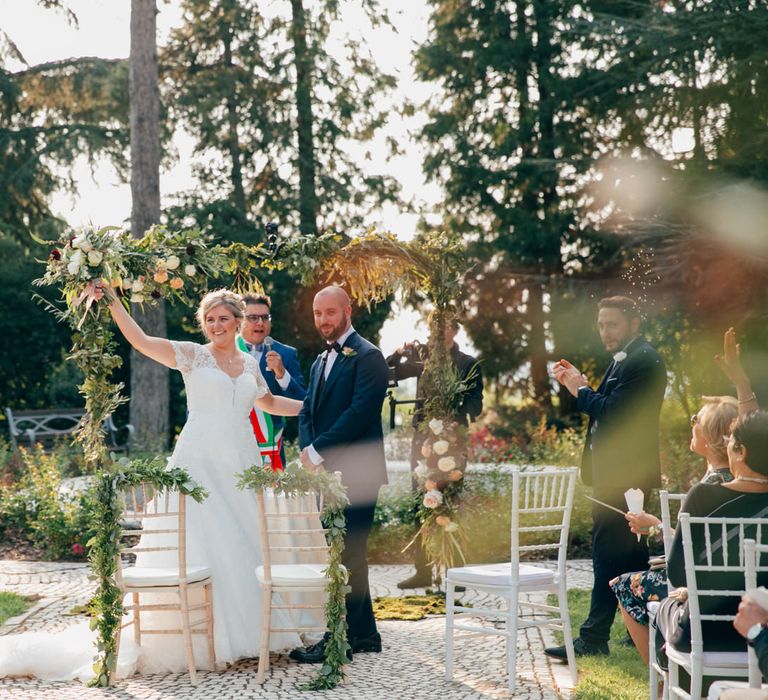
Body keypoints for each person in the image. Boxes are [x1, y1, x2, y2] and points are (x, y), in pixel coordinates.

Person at [0, 286, 306, 680]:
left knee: (244, 541)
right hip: (198, 464)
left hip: (240, 463)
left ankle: (250, 634)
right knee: (203, 541)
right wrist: (112, 300)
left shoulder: (249, 365)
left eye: (223, 319)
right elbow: (141, 341)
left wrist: (315, 407)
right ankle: (199, 639)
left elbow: (270, 404)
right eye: (209, 320)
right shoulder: (193, 356)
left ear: (238, 322)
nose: (216, 326)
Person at [546, 295, 667, 659]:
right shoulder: (629, 357)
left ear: (633, 323)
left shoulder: (644, 360)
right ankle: (641, 627)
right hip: (619, 473)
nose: (605, 332)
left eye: (612, 324)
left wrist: (580, 389)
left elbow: (614, 412)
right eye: (601, 325)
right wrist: (580, 384)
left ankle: (593, 638)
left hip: (624, 475)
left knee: (607, 553)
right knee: (629, 553)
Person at [289, 286, 389, 663]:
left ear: (348, 309)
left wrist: (318, 451)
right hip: (326, 474)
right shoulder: (318, 362)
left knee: (347, 555)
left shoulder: (370, 357)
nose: (323, 320)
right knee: (344, 553)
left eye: (330, 312)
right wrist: (308, 450)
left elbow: (359, 414)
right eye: (318, 313)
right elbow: (306, 411)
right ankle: (365, 635)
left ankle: (339, 637)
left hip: (360, 473)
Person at [609, 395, 738, 663]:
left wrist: (655, 525)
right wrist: (656, 526)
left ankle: (661, 673)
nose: (692, 424)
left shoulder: (709, 487)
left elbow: (684, 559)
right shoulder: (735, 480)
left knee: (624, 585)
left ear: (710, 435)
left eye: (696, 420)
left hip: (697, 589)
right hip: (727, 585)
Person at [654, 410, 768, 666]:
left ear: (741, 451)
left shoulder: (702, 496)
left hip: (703, 630)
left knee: (662, 608)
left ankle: (670, 689)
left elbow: (678, 574)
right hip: (763, 631)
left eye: (730, 442)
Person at [386, 318, 483, 589]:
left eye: (444, 326)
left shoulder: (468, 363)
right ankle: (423, 572)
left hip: (454, 442)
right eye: (434, 327)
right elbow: (385, 373)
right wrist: (398, 354)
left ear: (454, 329)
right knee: (422, 501)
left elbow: (476, 404)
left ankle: (456, 573)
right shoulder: (422, 357)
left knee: (452, 503)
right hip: (422, 442)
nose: (438, 332)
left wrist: (454, 416)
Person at [239, 292, 307, 469]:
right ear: (240, 319)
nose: (260, 323)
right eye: (253, 317)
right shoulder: (224, 350)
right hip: (234, 445)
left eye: (264, 317)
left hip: (271, 449)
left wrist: (281, 373)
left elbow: (303, 400)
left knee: (272, 497)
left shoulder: (286, 354)